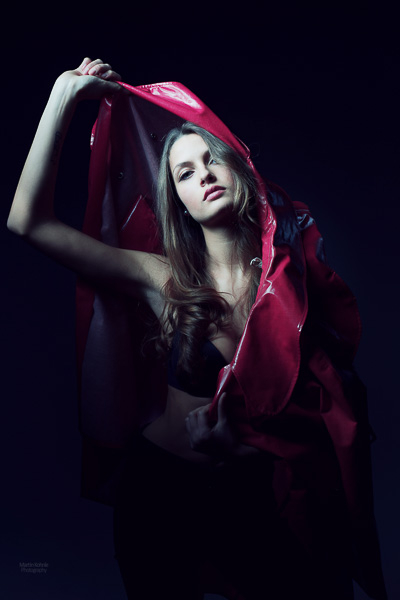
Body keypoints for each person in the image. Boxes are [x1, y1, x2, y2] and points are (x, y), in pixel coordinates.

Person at [8, 58, 387, 600]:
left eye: (212, 160)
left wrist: (245, 449)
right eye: (185, 173)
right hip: (161, 491)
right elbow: (28, 222)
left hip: (252, 493)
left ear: (240, 169)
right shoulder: (165, 280)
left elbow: (322, 413)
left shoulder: (293, 281)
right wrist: (62, 97)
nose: (203, 175)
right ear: (179, 202)